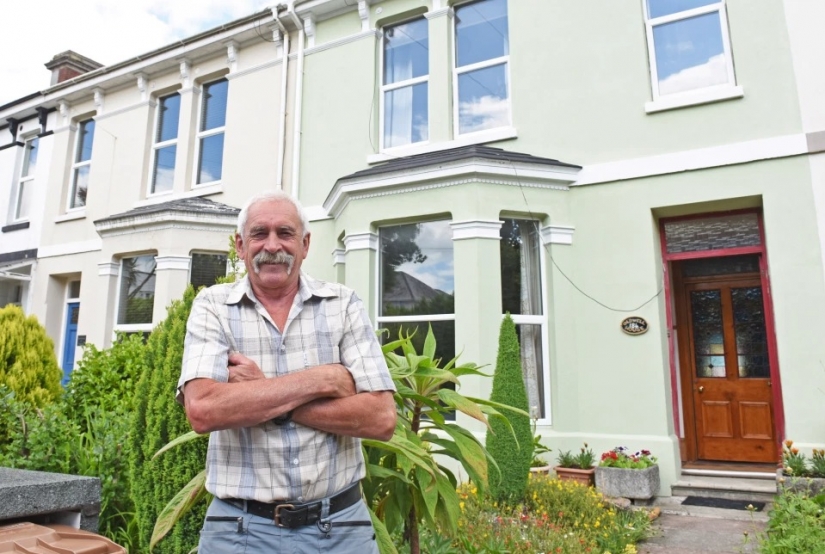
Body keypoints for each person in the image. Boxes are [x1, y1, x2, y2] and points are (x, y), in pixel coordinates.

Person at [177, 190, 397, 553]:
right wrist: (322, 380)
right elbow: (203, 410)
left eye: (285, 233)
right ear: (241, 245)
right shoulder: (213, 306)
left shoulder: (342, 304)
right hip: (239, 530)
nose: (272, 245)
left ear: (306, 244)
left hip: (341, 529)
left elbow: (380, 418)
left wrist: (261, 391)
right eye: (259, 233)